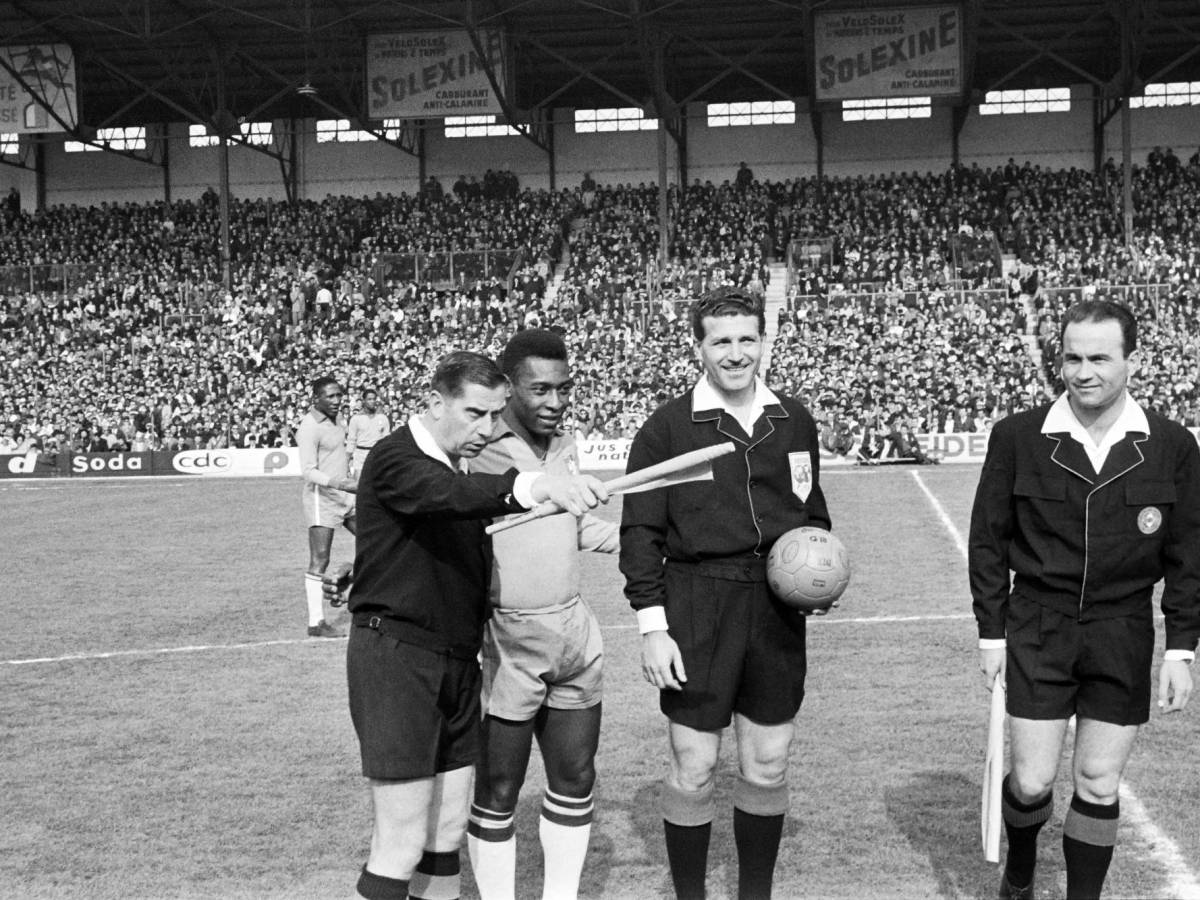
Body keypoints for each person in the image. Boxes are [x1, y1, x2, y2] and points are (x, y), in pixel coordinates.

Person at [345, 351, 608, 900]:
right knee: (401, 840)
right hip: (399, 659)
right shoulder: (397, 457)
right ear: (435, 402)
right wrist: (535, 487)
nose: (486, 429)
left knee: (444, 836)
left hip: (458, 662)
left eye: (494, 415)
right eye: (473, 414)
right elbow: (446, 497)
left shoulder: (456, 464)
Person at [969, 299, 1200, 900]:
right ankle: (1020, 872)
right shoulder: (1018, 436)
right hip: (1038, 625)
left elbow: (1187, 556)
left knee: (1098, 782)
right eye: (1072, 357)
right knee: (1031, 780)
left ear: (1133, 361)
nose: (1083, 371)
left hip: (1121, 629)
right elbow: (989, 543)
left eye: (1099, 357)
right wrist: (991, 635)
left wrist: (1181, 649)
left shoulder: (1171, 445)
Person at [619, 286, 834, 900]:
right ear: (699, 347)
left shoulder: (793, 419)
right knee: (695, 766)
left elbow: (811, 509)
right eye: (721, 341)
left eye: (746, 339)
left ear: (764, 341)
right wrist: (652, 626)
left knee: (768, 763)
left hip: (774, 608)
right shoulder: (668, 427)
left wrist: (819, 571)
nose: (736, 354)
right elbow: (640, 532)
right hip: (696, 604)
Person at [466, 330, 618, 900]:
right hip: (507, 640)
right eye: (540, 390)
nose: (555, 402)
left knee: (576, 779)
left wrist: (644, 541)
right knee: (499, 788)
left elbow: (572, 526)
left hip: (575, 634)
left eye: (563, 388)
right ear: (508, 390)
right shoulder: (477, 450)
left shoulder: (565, 443)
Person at [297, 376, 357, 639]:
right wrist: (340, 484)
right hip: (323, 499)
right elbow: (308, 471)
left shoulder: (338, 420)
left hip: (346, 497)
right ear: (316, 399)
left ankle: (345, 583)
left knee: (376, 539)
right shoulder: (309, 427)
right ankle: (316, 623)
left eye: (339, 395)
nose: (336, 400)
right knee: (320, 559)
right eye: (330, 397)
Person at [347, 387, 392, 476]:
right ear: (363, 400)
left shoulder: (383, 418)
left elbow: (386, 440)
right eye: (369, 399)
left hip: (377, 454)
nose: (372, 401)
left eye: (374, 399)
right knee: (359, 484)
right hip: (360, 454)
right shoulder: (356, 419)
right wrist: (347, 460)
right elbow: (351, 440)